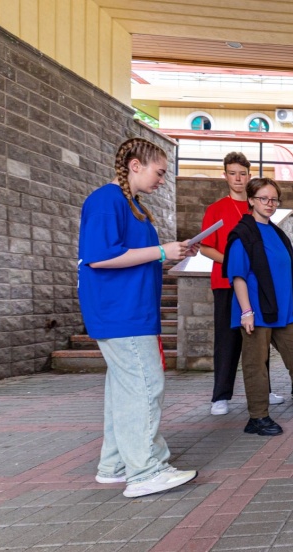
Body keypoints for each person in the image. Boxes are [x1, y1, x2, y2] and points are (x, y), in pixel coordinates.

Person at [78, 137, 198, 498]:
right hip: (121, 312)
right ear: (135, 165)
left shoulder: (129, 204)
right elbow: (99, 257)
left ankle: (114, 465)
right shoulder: (107, 200)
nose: (162, 180)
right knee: (145, 386)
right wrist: (161, 251)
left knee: (125, 392)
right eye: (159, 172)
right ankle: (146, 471)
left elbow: (134, 256)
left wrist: (170, 253)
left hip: (130, 310)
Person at [225, 178, 293, 435]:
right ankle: (257, 417)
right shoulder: (243, 233)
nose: (269, 203)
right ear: (251, 200)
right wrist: (246, 311)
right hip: (256, 312)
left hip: (282, 311)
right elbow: (238, 276)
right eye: (263, 198)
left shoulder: (276, 233)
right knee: (256, 365)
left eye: (274, 199)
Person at [200, 152, 282, 416]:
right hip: (225, 283)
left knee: (259, 338)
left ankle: (264, 390)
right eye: (233, 173)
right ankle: (221, 396)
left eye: (243, 173)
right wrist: (236, 263)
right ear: (225, 175)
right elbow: (205, 248)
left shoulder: (258, 207)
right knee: (226, 340)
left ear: (249, 176)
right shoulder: (215, 209)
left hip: (256, 285)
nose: (238, 178)